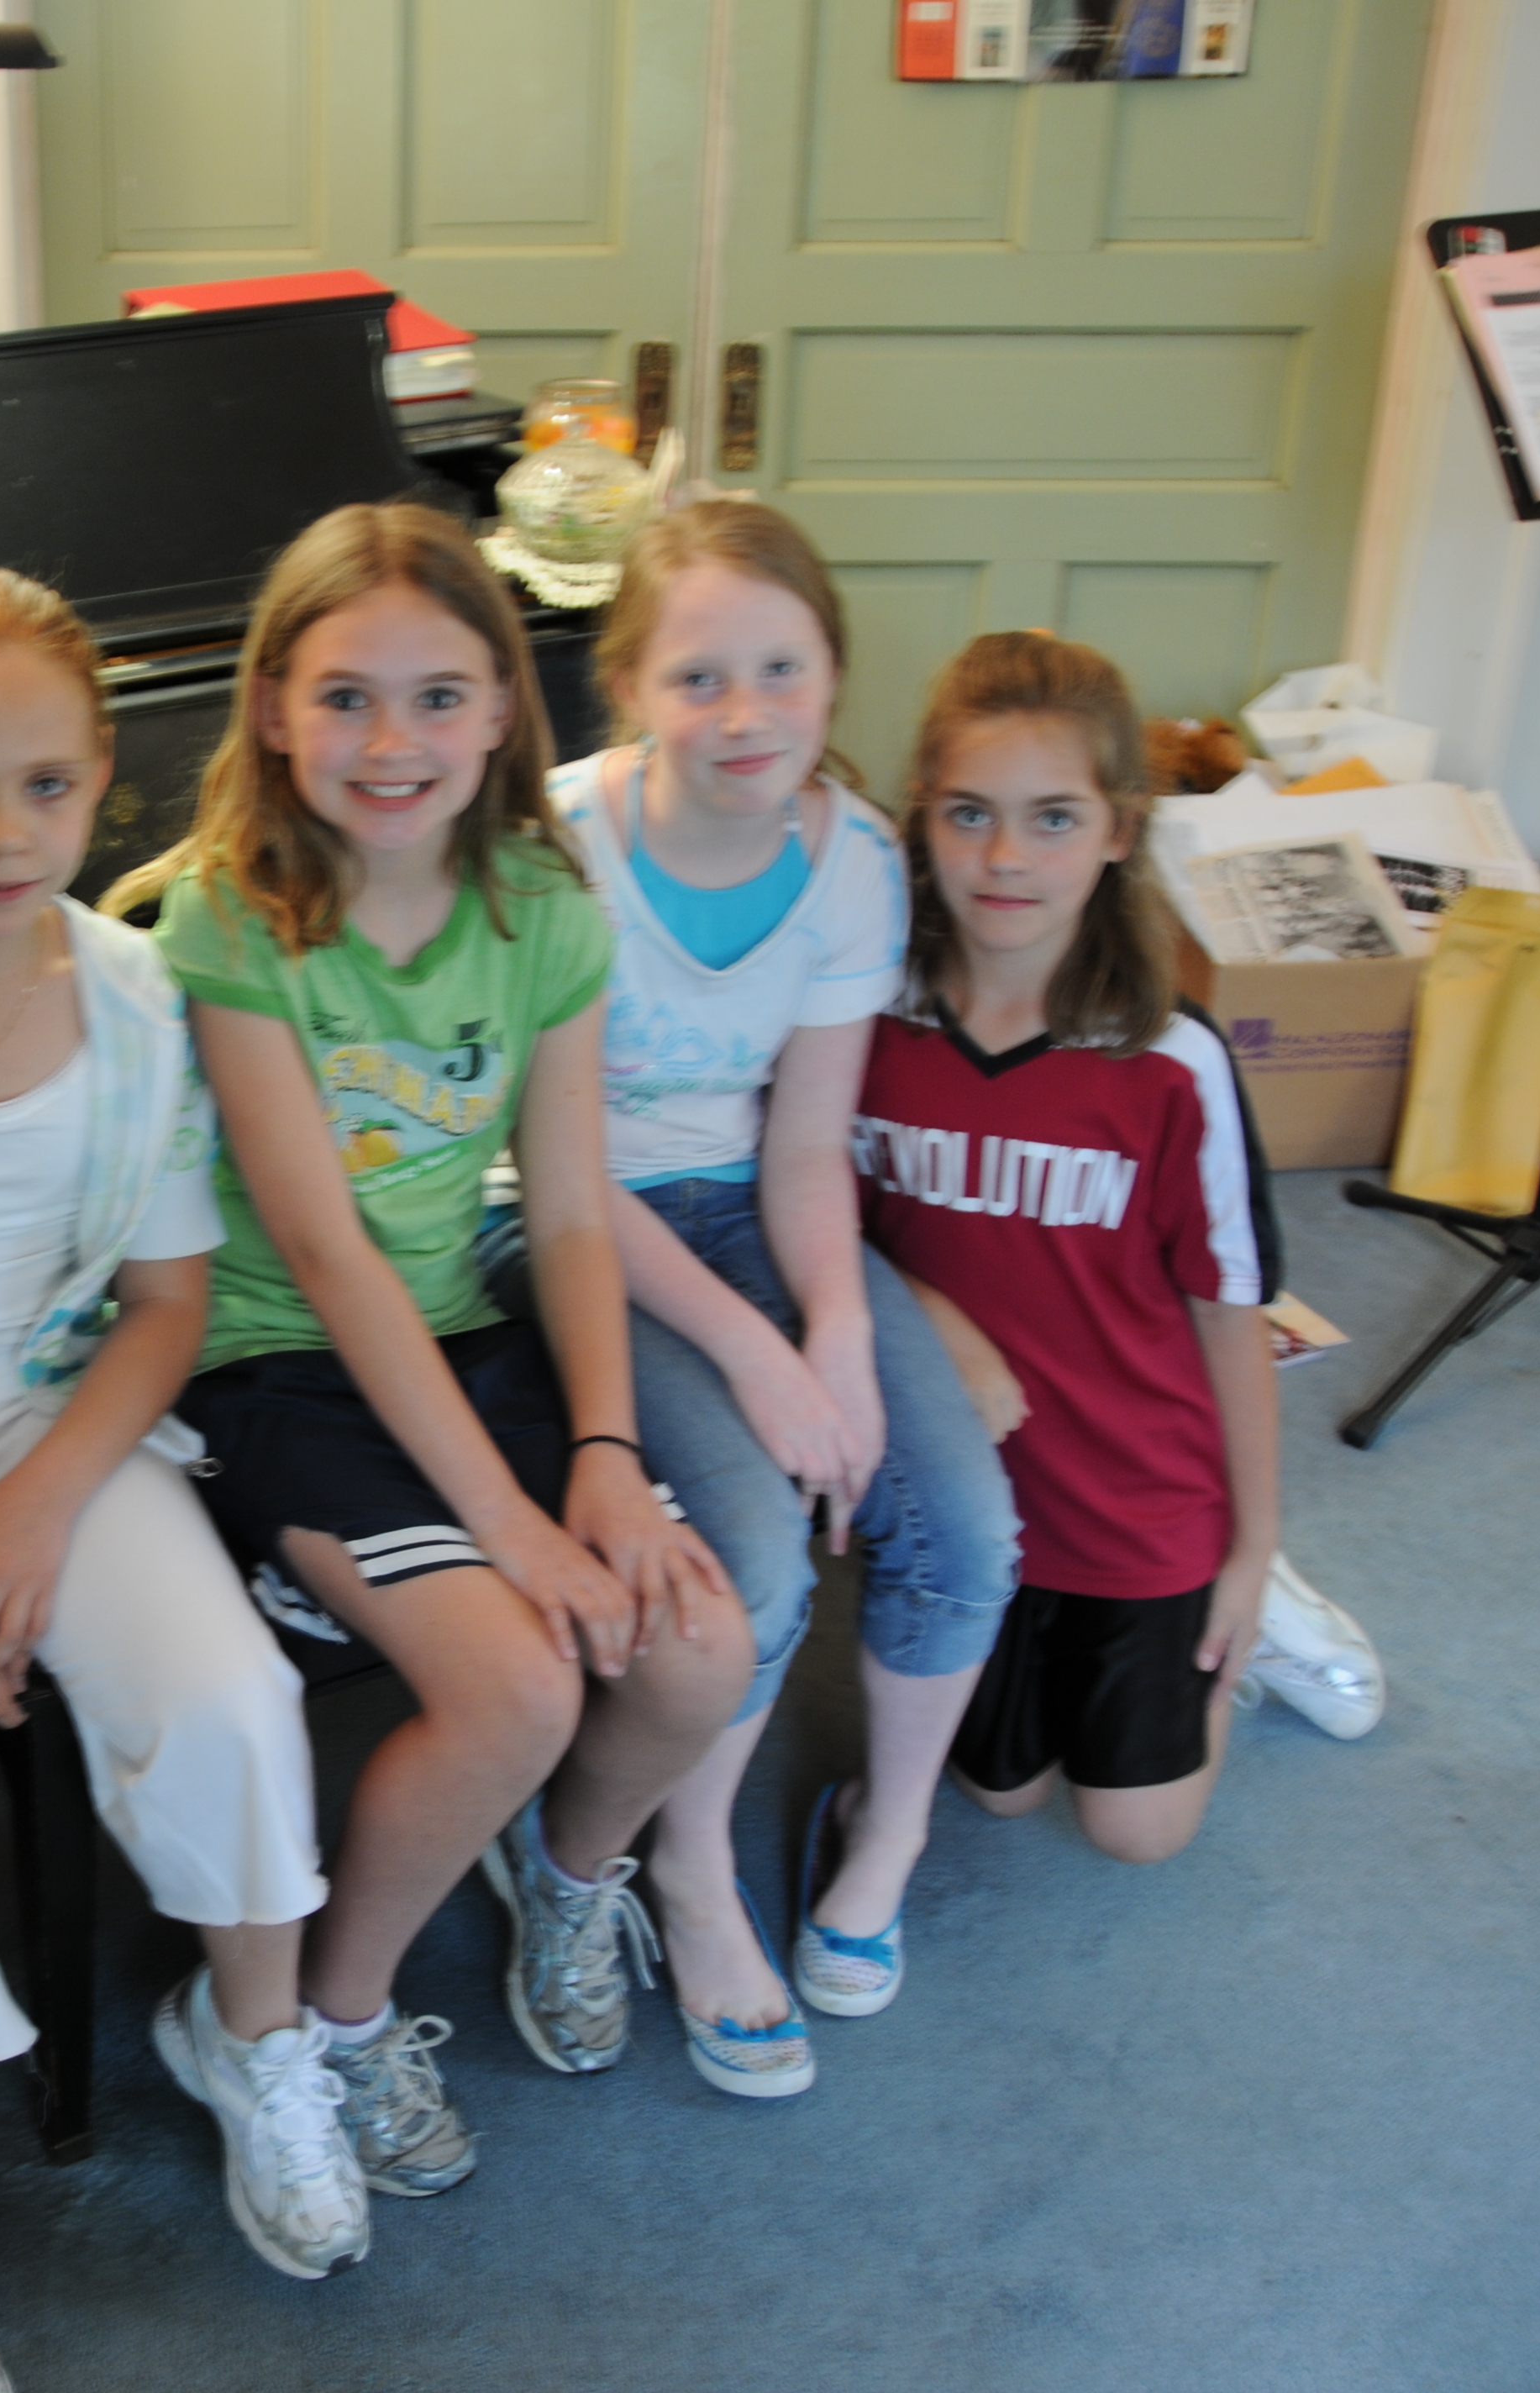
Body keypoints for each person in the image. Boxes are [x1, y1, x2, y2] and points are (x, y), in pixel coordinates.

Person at [109, 502, 750, 2198]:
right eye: (345, 697)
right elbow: (324, 1255)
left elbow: (570, 1213)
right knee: (517, 1680)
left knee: (695, 1650)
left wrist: (601, 1459)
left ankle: (569, 1874)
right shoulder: (226, 919)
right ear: (271, 708)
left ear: (501, 711)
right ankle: (323, 2014)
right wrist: (516, 1527)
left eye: (437, 696)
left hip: (460, 1331)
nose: (391, 742)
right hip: (271, 1362)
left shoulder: (542, 906)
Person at [0, 570, 349, 2385]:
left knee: (232, 1697)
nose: (4, 833)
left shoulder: (133, 993)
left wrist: (26, 1517)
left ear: (102, 778)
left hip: (57, 1428)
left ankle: (254, 2036)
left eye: (46, 786)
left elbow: (164, 1303)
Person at [532, 502, 1020, 2092]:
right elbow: (563, 1170)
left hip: (752, 1197)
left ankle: (888, 1834)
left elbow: (807, 1144)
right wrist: (760, 1356)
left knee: (964, 1526)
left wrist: (840, 1339)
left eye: (782, 670)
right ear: (629, 687)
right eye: (698, 678)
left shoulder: (855, 858)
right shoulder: (560, 850)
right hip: (570, 1219)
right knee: (753, 1558)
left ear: (832, 675)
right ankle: (687, 1868)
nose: (746, 714)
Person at [857, 630, 1279, 1864]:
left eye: (1053, 819)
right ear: (922, 816)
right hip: (965, 1502)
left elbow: (1232, 1310)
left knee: (1137, 1833)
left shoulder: (1171, 1061)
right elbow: (801, 1222)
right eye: (970, 814)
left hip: (1139, 1503)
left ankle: (1266, 1617)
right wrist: (931, 1311)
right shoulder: (862, 1017)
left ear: (1119, 830)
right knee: (999, 1796)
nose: (1005, 858)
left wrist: (1254, 1550)